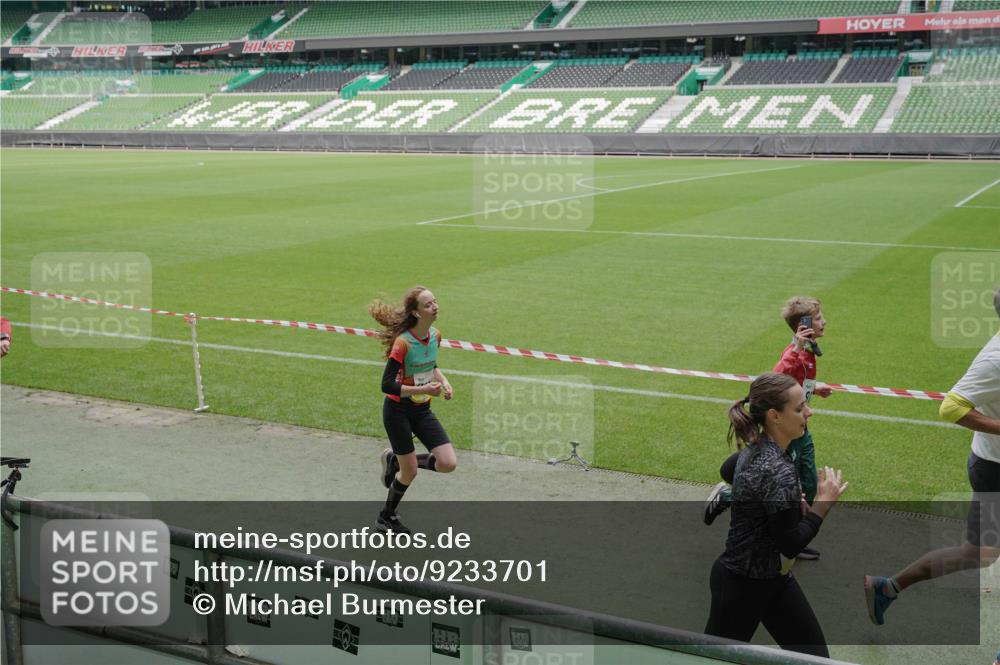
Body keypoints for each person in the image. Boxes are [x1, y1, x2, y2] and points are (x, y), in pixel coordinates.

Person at [864, 287, 1000, 626]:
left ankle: (887, 587)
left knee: (979, 553)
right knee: (979, 553)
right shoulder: (995, 360)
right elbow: (951, 407)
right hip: (994, 468)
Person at [705, 372, 848, 658]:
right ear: (775, 416)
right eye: (799, 408)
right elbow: (791, 544)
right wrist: (822, 505)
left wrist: (787, 503)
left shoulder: (758, 447)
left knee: (815, 660)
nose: (809, 412)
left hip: (772, 579)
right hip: (742, 586)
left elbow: (728, 470)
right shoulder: (777, 468)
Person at [705, 297, 833, 560]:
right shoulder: (795, 352)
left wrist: (813, 388)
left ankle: (796, 533)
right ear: (803, 325)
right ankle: (729, 495)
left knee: (806, 481)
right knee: (786, 483)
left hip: (799, 427)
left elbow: (794, 382)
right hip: (786, 430)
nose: (824, 322)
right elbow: (776, 377)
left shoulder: (809, 351)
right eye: (818, 318)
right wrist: (796, 347)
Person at [369, 286, 456, 535]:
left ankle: (394, 460)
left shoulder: (435, 335)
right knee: (410, 472)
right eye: (428, 304)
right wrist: (426, 389)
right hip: (397, 411)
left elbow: (431, 365)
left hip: (422, 410)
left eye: (435, 301)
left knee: (448, 463)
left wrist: (444, 381)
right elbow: (387, 385)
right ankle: (386, 517)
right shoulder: (403, 343)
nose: (435, 307)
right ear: (416, 313)